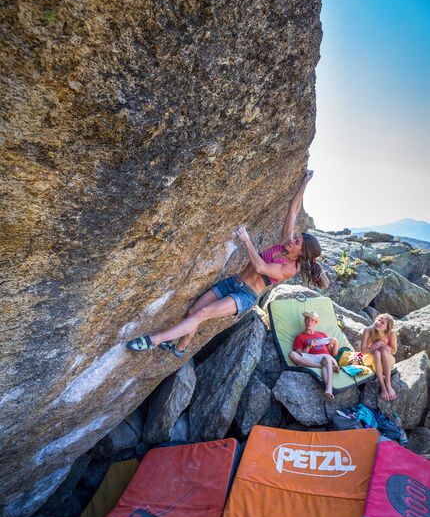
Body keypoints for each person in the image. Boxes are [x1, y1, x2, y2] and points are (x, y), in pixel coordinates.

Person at [126, 170, 329, 357]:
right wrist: (305, 182)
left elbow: (260, 268)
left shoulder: (289, 268)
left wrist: (247, 241)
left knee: (203, 314)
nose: (293, 240)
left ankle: (153, 340)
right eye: (296, 238)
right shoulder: (286, 243)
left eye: (297, 242)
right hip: (233, 282)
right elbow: (293, 211)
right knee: (192, 313)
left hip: (245, 295)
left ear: (301, 252)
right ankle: (180, 347)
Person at [289, 311, 339, 400]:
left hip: (325, 357)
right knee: (292, 354)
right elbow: (300, 355)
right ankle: (326, 367)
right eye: (307, 320)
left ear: (315, 323)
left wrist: (335, 343)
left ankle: (329, 389)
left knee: (326, 358)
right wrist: (308, 346)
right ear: (304, 321)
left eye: (312, 320)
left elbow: (333, 354)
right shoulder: (300, 337)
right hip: (311, 359)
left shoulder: (322, 335)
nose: (309, 322)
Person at [361, 313, 397, 401]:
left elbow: (394, 351)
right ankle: (383, 387)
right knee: (377, 352)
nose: (378, 323)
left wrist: (383, 343)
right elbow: (362, 351)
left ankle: (388, 385)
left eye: (382, 323)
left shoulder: (391, 334)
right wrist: (374, 348)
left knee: (384, 351)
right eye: (378, 320)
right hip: (370, 358)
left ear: (387, 328)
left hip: (387, 359)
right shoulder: (368, 330)